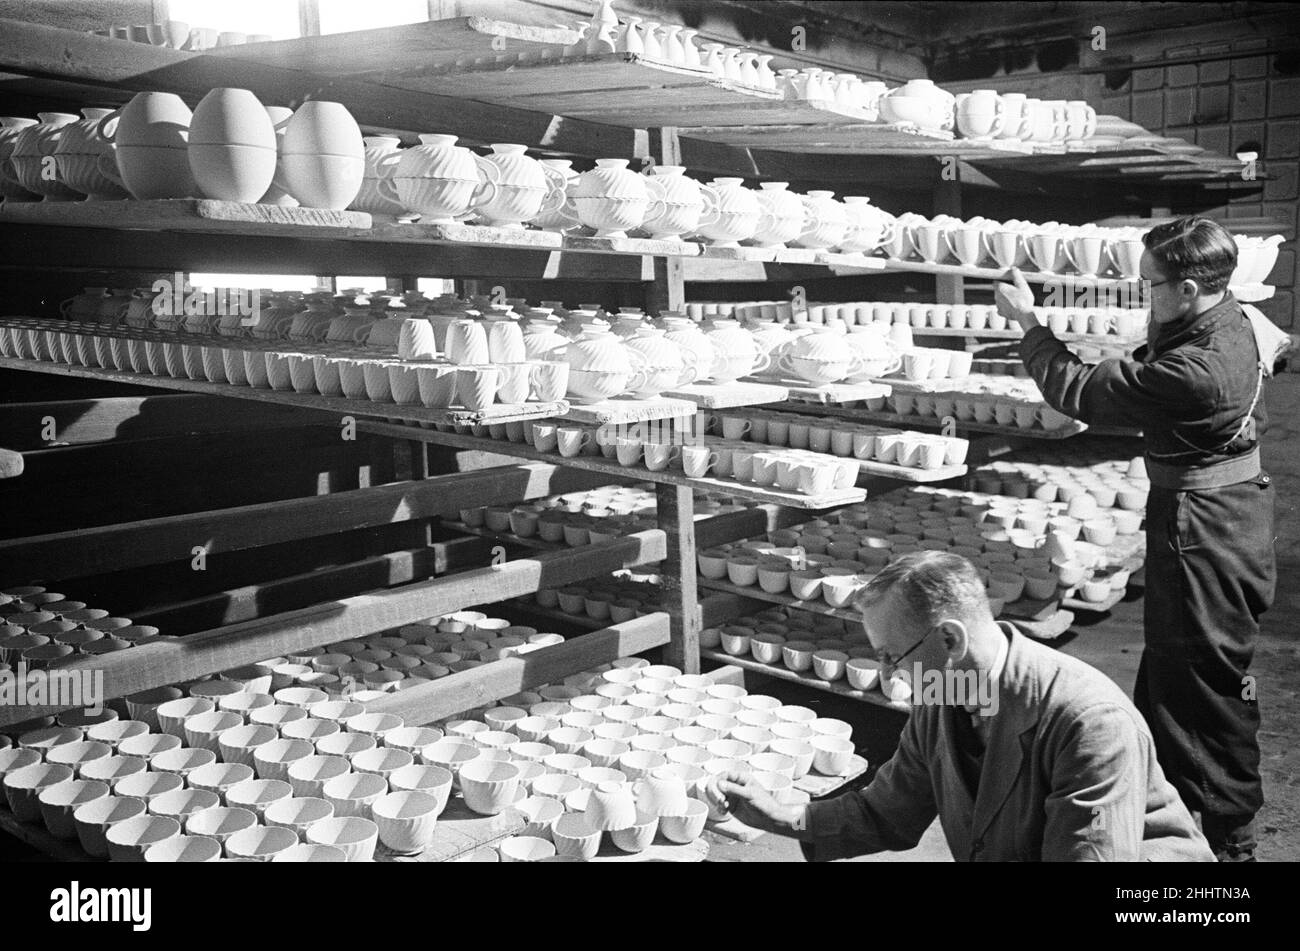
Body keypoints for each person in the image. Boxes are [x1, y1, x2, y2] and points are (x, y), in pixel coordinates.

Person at [993, 217, 1276, 861]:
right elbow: (1277, 343)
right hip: (1233, 509)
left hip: (1204, 527)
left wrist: (1030, 323)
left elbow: (1079, 391)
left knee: (1205, 684)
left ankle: (1230, 842)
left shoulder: (1197, 370)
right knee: (1179, 671)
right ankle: (1171, 810)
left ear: (1186, 289)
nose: (1142, 294)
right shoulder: (1236, 318)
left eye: (1148, 286)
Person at [705, 552, 1214, 861]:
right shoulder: (943, 693)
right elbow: (887, 812)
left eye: (891, 656)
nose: (886, 674)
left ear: (950, 639)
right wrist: (783, 815)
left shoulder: (1087, 721)